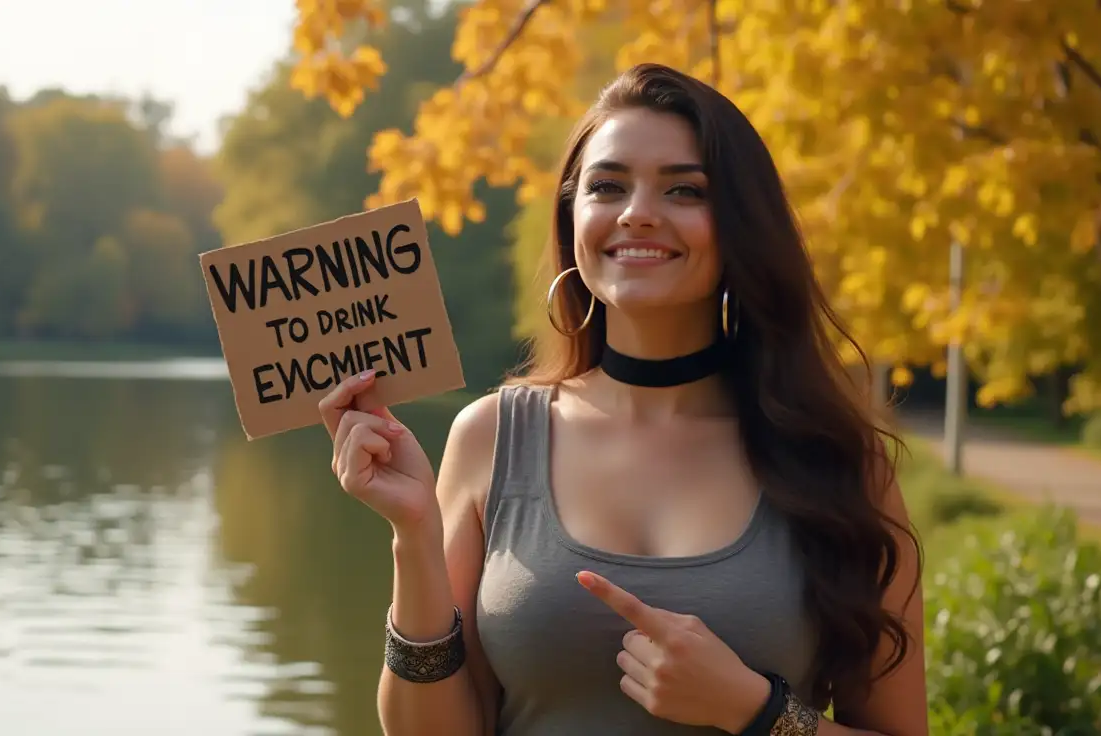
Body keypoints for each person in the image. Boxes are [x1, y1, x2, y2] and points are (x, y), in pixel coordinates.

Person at [319, 62, 928, 736]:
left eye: (685, 190)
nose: (638, 213)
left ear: (740, 227)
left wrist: (758, 714)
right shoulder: (491, 437)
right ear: (572, 219)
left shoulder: (839, 458)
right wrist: (413, 538)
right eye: (608, 186)